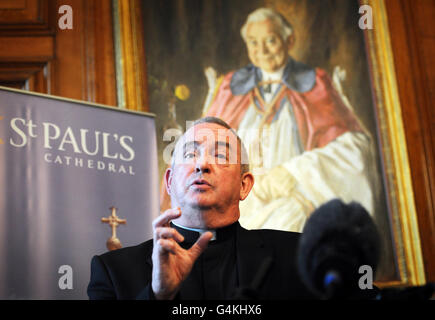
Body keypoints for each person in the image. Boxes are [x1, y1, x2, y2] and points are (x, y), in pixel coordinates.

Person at [87, 117, 314, 300]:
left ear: (244, 185)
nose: (202, 164)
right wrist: (158, 295)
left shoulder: (298, 257)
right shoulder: (113, 272)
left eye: (220, 155)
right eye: (189, 155)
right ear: (169, 181)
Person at [202, 8, 380, 233]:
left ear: (289, 40)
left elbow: (355, 152)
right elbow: (205, 151)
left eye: (271, 40)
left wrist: (293, 172)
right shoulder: (231, 88)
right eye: (254, 43)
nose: (263, 51)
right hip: (244, 202)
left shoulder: (315, 85)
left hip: (292, 201)